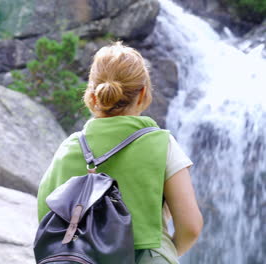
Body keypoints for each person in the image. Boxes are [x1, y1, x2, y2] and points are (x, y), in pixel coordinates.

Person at [36, 42, 203, 263]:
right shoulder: (161, 143)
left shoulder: (68, 148)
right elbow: (190, 227)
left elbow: (44, 217)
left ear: (92, 95)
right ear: (143, 93)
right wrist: (167, 253)